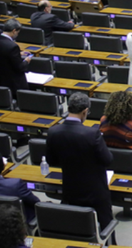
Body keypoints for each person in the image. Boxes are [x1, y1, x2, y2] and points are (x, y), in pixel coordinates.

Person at [46, 93, 115, 236]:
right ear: (84, 111)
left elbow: (51, 160)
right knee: (106, 229)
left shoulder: (53, 131)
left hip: (70, 189)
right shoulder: (92, 133)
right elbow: (107, 159)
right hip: (95, 191)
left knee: (76, 229)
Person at [0, 19, 30, 97]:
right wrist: (26, 61)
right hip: (14, 83)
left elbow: (3, 54)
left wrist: (17, 54)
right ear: (14, 31)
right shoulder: (13, 46)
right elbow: (19, 67)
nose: (17, 35)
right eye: (18, 33)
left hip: (1, 79)